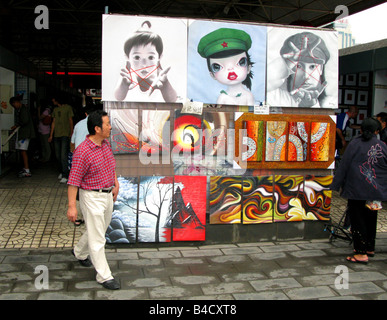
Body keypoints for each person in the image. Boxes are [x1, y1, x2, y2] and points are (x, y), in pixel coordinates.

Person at [67, 110, 120, 290]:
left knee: (98, 229)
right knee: (98, 238)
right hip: (91, 196)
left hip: (107, 195)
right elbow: (73, 181)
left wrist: (116, 183)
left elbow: (111, 165)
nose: (110, 127)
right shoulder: (82, 151)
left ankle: (79, 252)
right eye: (107, 124)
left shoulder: (105, 144)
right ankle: (104, 276)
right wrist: (72, 206)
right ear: (97, 128)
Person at [331, 118, 387, 264]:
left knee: (358, 219)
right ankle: (369, 247)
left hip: (356, 189)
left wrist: (335, 185)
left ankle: (361, 254)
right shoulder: (382, 146)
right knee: (371, 217)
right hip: (375, 190)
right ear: (377, 131)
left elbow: (344, 166)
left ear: (361, 130)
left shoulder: (355, 144)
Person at [114, 20, 177, 102]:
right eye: (137, 57)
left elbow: (173, 100)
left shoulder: (162, 76)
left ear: (160, 57)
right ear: (127, 57)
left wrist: (165, 84)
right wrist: (124, 84)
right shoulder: (127, 76)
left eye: (150, 57)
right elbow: (118, 97)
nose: (144, 65)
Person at [267, 32, 333, 108]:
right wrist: (287, 63)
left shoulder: (330, 103)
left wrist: (311, 106)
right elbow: (262, 85)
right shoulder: (276, 97)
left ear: (321, 69)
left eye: (312, 66)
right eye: (299, 66)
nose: (306, 76)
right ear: (289, 70)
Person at [197, 27, 254, 106]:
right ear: (212, 75)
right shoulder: (222, 98)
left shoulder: (248, 95)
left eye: (241, 62)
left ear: (248, 68)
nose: (230, 69)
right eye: (217, 67)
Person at [69, 106, 93, 227]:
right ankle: (86, 216)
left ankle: (78, 216)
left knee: (77, 186)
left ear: (85, 113)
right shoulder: (97, 126)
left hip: (78, 159)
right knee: (88, 188)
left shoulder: (78, 124)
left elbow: (72, 142)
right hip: (91, 160)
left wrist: (74, 155)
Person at [48, 96, 74, 183]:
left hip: (65, 134)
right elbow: (53, 122)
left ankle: (65, 175)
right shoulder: (55, 109)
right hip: (56, 135)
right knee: (58, 155)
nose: (52, 100)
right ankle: (62, 171)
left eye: (54, 99)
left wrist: (71, 132)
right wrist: (51, 135)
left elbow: (70, 120)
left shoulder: (68, 108)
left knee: (63, 155)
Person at [9, 96, 36, 177]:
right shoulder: (22, 109)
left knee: (23, 151)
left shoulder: (23, 110)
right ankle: (25, 168)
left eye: (14, 105)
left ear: (16, 102)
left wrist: (16, 125)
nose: (14, 107)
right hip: (24, 133)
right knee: (22, 151)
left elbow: (25, 120)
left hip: (25, 134)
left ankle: (27, 169)